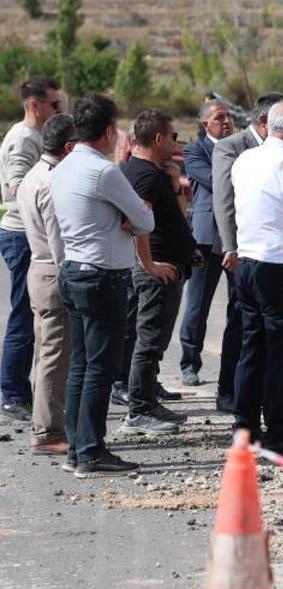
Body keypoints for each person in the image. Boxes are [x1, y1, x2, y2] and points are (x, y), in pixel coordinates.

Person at [51, 95, 154, 476]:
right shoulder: (104, 171)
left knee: (80, 365)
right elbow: (145, 221)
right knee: (99, 368)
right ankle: (91, 451)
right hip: (102, 276)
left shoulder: (62, 167)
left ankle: (78, 449)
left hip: (74, 270)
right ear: (110, 131)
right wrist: (133, 216)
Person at [213, 92, 283, 412]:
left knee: (251, 350)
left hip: (248, 264)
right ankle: (278, 428)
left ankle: (246, 426)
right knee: (281, 352)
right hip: (280, 267)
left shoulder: (246, 160)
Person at [117, 110, 197, 435]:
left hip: (166, 265)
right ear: (160, 138)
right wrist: (148, 264)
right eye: (174, 136)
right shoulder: (144, 176)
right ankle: (139, 411)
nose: (176, 143)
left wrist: (175, 184)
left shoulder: (151, 173)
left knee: (154, 341)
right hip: (157, 271)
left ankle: (148, 400)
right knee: (149, 341)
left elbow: (172, 217)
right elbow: (133, 222)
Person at [0, 78, 62, 422]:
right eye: (54, 105)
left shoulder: (37, 136)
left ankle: (22, 391)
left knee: (36, 316)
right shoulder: (22, 139)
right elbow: (19, 189)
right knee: (25, 315)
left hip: (32, 234)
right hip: (22, 235)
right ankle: (12, 393)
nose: (59, 110)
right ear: (34, 105)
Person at [15, 113, 75, 455]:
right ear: (68, 146)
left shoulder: (33, 177)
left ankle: (51, 427)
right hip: (53, 269)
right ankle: (48, 433)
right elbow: (59, 243)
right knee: (55, 355)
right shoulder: (53, 183)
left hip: (39, 268)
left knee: (49, 352)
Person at [178, 99, 234, 387]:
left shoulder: (243, 148)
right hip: (206, 238)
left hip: (237, 237)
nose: (226, 121)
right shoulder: (195, 150)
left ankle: (236, 363)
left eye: (228, 116)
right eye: (219, 117)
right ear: (205, 124)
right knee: (197, 304)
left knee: (240, 304)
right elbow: (216, 180)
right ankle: (189, 363)